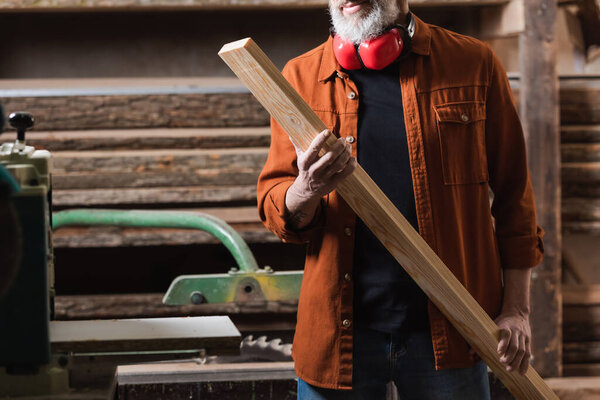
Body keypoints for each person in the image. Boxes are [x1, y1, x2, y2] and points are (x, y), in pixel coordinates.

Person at [256, 0, 545, 398]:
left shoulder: (474, 64)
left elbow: (516, 199)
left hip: (453, 328)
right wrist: (305, 189)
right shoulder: (299, 77)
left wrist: (517, 310)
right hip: (340, 334)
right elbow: (277, 207)